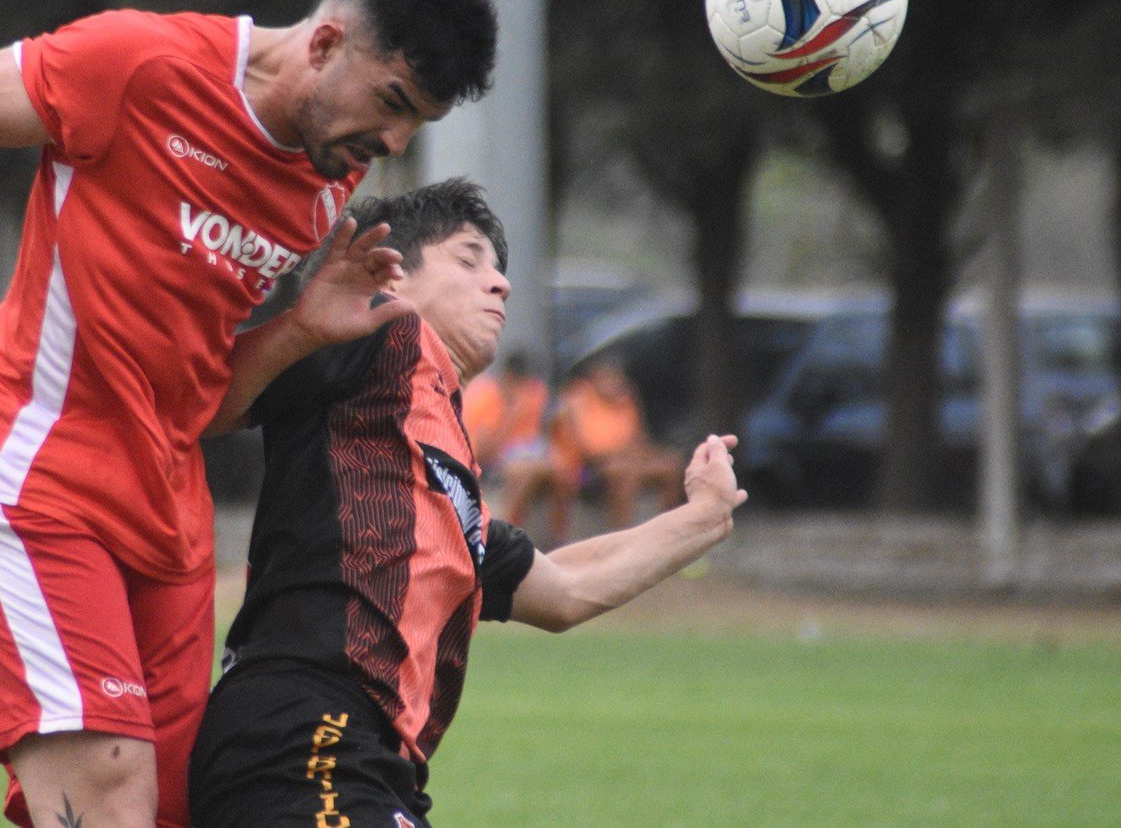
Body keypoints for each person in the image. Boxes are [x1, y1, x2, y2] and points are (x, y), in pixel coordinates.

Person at [0, 0, 497, 828]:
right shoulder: (140, 64)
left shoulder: (322, 182)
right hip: (34, 476)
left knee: (181, 809)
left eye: (418, 122)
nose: (394, 139)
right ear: (327, 43)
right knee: (111, 800)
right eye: (392, 100)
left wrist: (298, 331)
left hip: (165, 515)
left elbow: (200, 403)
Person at [189, 180, 745, 827]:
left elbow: (565, 590)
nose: (499, 283)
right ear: (392, 276)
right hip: (303, 728)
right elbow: (200, 401)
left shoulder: (444, 471)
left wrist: (702, 518)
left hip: (369, 761)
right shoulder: (376, 334)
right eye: (468, 259)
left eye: (499, 268)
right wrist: (301, 328)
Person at [502, 358, 686, 543]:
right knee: (623, 472)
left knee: (670, 467)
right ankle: (621, 541)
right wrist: (625, 454)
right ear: (595, 379)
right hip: (585, 470)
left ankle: (670, 538)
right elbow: (589, 450)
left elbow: (639, 440)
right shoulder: (579, 399)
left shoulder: (625, 399)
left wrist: (640, 454)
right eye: (607, 378)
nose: (614, 384)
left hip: (622, 461)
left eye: (616, 378)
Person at [460, 349, 550, 488]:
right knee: (526, 472)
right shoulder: (488, 396)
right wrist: (511, 416)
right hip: (482, 463)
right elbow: (485, 453)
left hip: (520, 453)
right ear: (508, 377)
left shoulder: (531, 394)